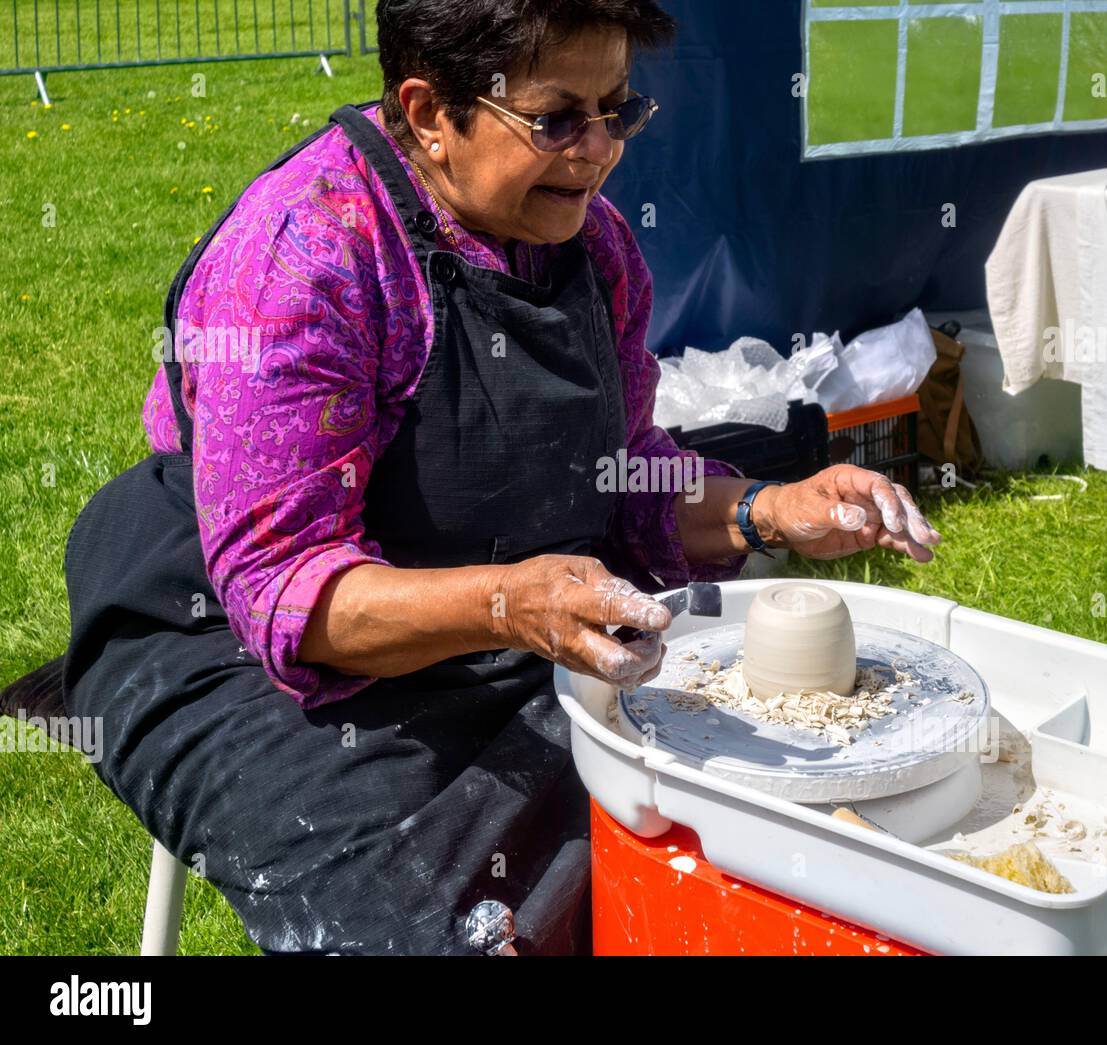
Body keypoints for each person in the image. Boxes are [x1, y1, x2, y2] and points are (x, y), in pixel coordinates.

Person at [61, 0, 941, 955]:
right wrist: (503, 604)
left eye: (619, 111)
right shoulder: (307, 259)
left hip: (513, 598)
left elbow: (622, 471)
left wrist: (771, 509)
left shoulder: (594, 245)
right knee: (450, 925)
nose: (600, 151)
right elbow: (286, 594)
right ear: (432, 112)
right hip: (241, 637)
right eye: (558, 119)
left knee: (696, 826)